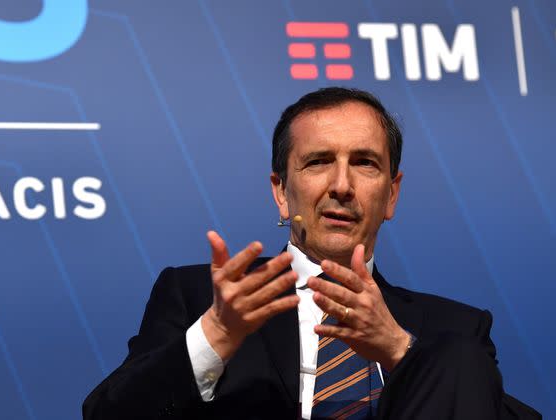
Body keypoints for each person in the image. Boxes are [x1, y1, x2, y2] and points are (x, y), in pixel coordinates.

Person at [83, 88, 540, 419]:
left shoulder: (454, 329)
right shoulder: (196, 296)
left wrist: (403, 353)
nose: (341, 186)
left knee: (455, 356)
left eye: (365, 163)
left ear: (392, 194)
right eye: (318, 162)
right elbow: (108, 414)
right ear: (281, 192)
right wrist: (218, 334)